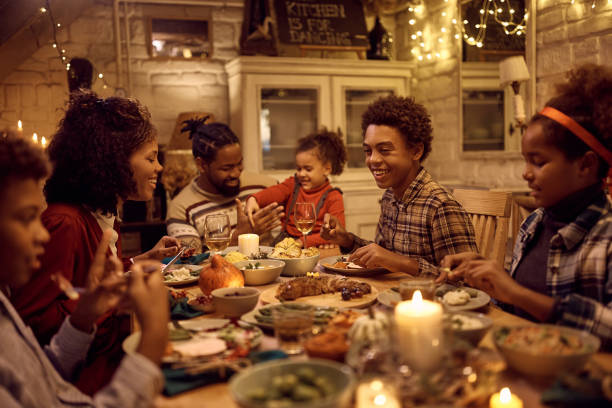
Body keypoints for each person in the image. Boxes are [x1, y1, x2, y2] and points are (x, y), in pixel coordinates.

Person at [11, 91, 179, 395]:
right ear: (114, 160)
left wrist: (140, 259)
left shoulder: (96, 216)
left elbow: (87, 279)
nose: (159, 168)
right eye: (150, 158)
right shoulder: (65, 223)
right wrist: (107, 307)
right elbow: (34, 325)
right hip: (91, 382)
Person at [440, 64, 612, 347]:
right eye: (525, 160)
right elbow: (518, 304)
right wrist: (488, 276)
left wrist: (516, 293)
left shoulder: (605, 236)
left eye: (539, 162)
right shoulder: (534, 223)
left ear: (586, 164)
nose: (526, 173)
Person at [321, 95, 477, 276]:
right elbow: (382, 255)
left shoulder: (440, 206)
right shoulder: (390, 196)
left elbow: (466, 284)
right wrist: (347, 239)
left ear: (416, 151)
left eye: (385, 150)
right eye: (367, 151)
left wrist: (401, 263)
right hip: (395, 297)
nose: (373, 160)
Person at [166, 117, 283, 252]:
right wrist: (239, 238)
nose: (236, 174)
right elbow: (190, 263)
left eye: (239, 164)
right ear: (202, 165)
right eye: (226, 168)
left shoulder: (264, 187)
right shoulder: (181, 209)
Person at [245, 129, 346, 248]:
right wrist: (254, 199)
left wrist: (303, 242)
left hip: (313, 245)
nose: (301, 174)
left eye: (308, 169)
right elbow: (275, 191)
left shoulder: (333, 197)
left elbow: (337, 232)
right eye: (299, 169)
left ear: (327, 169)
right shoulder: (293, 184)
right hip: (285, 242)